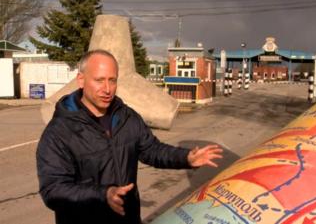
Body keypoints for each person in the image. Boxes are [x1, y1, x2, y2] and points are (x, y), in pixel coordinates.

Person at [36, 49, 223, 224]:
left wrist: (186, 157)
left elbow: (152, 149)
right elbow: (53, 190)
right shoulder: (59, 132)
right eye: (99, 80)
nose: (108, 89)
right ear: (81, 80)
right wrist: (103, 195)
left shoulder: (127, 117)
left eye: (112, 80)